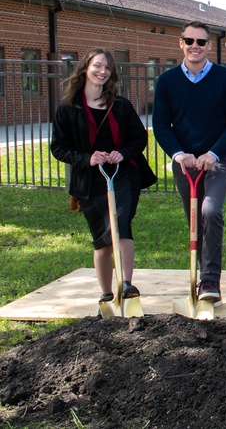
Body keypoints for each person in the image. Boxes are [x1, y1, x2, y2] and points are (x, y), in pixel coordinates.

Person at [50, 47, 157, 307]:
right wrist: (87, 158)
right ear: (85, 68)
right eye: (98, 65)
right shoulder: (67, 108)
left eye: (107, 68)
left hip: (122, 174)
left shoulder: (119, 105)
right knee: (102, 237)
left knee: (121, 224)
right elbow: (59, 147)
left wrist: (121, 153)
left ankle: (127, 285)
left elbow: (139, 137)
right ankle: (107, 295)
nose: (102, 71)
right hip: (89, 180)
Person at [153, 21, 226, 306]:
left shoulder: (225, 78)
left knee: (209, 211)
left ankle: (210, 281)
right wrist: (178, 154)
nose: (195, 46)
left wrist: (214, 153)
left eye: (201, 42)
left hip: (216, 160)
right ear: (180, 43)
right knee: (194, 219)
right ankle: (202, 274)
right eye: (189, 40)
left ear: (209, 45)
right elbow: (160, 124)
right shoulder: (167, 81)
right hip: (184, 163)